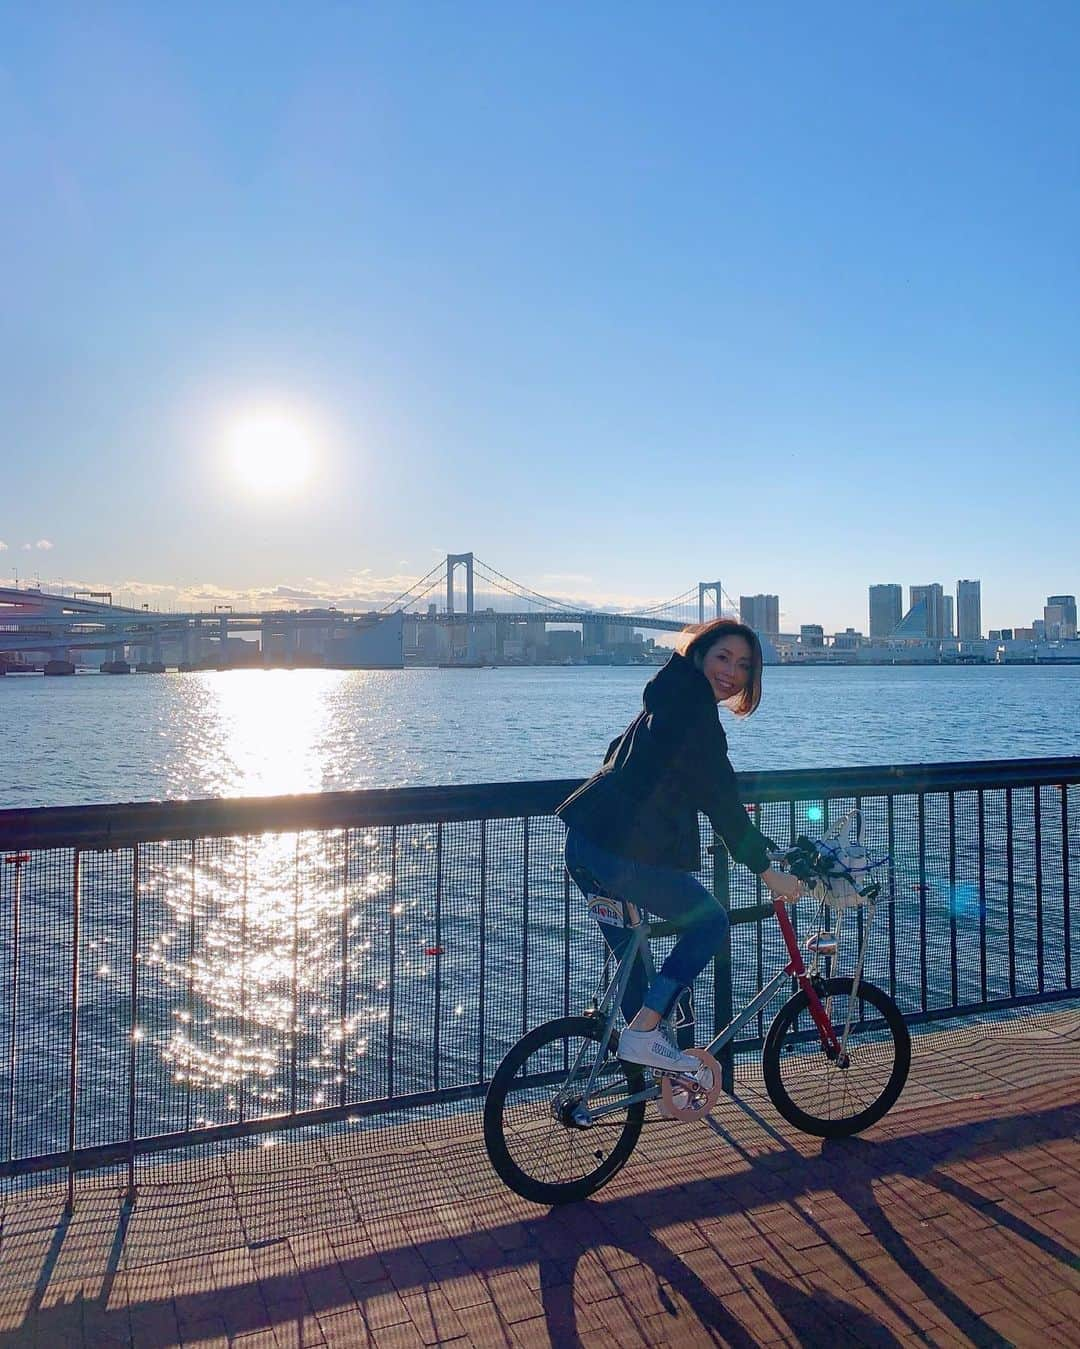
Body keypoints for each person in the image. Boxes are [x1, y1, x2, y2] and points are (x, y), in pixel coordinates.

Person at [556, 618, 801, 1073]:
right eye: (722, 657)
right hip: (618, 855)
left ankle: (642, 1072)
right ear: (700, 654)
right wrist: (768, 872)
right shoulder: (695, 714)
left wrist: (755, 844)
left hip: (585, 844)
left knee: (634, 963)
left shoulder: (666, 698)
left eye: (744, 665)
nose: (731, 672)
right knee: (709, 923)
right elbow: (721, 799)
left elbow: (628, 761)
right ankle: (647, 1037)